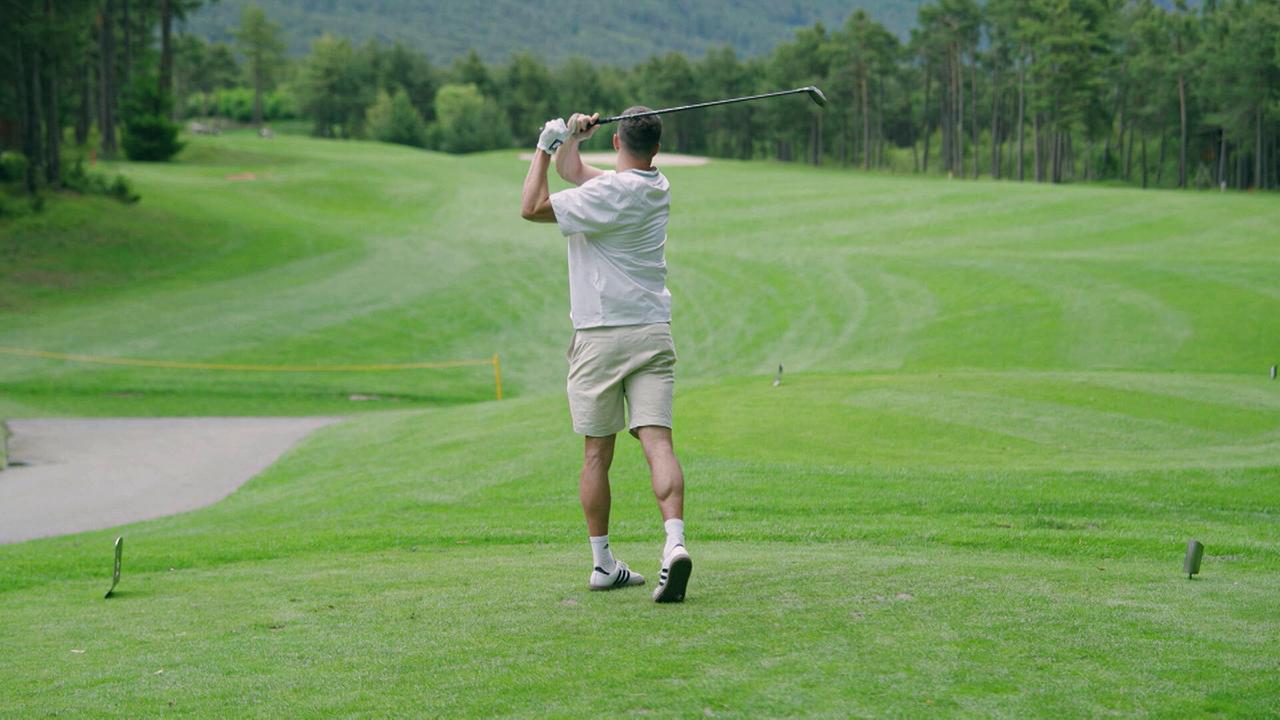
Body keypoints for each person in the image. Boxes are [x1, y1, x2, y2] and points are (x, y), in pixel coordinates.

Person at [519, 108, 692, 603]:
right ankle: (674, 544)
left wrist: (545, 145)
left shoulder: (606, 194)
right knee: (658, 442)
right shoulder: (656, 186)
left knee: (597, 454)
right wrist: (573, 141)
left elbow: (532, 206)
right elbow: (576, 174)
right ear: (655, 149)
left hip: (599, 336)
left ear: (618, 139)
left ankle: (602, 563)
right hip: (652, 333)